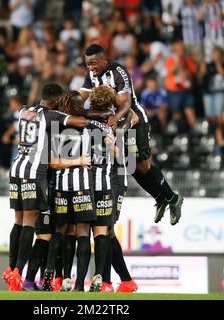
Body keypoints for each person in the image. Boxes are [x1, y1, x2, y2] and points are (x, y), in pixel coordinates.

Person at [2, 84, 113, 291]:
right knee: (31, 223)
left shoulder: (24, 110)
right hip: (36, 173)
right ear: (55, 102)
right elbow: (79, 122)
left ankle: (11, 269)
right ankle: (18, 273)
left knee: (19, 221)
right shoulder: (52, 117)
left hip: (16, 168)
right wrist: (100, 119)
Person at [80, 44, 182, 227]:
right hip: (117, 122)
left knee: (142, 165)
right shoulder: (91, 76)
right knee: (133, 166)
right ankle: (162, 197)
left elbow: (126, 104)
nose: (90, 68)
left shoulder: (118, 71)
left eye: (93, 63)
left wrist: (115, 120)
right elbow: (81, 98)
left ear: (104, 60)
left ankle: (172, 198)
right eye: (87, 64)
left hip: (134, 120)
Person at [89, 85, 138, 293]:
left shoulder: (118, 124)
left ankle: (110, 282)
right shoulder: (103, 122)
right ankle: (123, 281)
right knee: (105, 230)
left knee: (106, 228)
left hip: (115, 179)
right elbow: (133, 116)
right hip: (106, 178)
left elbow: (128, 158)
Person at [164, 39, 197, 131]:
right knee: (176, 113)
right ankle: (178, 132)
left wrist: (186, 63)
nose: (181, 51)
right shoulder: (170, 59)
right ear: (174, 50)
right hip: (174, 90)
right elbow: (170, 71)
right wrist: (178, 61)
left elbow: (193, 70)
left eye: (182, 49)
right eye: (178, 49)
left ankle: (194, 132)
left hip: (186, 89)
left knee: (190, 111)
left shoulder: (188, 58)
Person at [200, 47, 224, 127]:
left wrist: (218, 62)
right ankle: (212, 131)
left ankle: (220, 131)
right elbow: (202, 73)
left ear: (221, 55)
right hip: (209, 93)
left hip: (221, 92)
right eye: (214, 54)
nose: (215, 56)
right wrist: (203, 62)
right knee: (210, 115)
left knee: (219, 114)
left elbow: (223, 73)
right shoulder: (209, 65)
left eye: (217, 54)